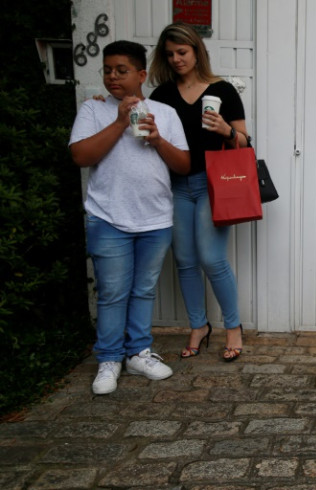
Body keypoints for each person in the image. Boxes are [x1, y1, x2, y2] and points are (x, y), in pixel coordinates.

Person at [69, 40, 190, 395]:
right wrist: (121, 121)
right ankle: (109, 358)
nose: (112, 77)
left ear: (141, 74)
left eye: (121, 70)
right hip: (108, 217)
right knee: (111, 293)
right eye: (107, 70)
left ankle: (138, 352)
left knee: (143, 290)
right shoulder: (93, 110)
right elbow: (80, 156)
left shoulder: (165, 113)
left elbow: (183, 164)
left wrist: (157, 140)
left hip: (155, 219)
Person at [148, 22, 250, 362]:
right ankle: (199, 326)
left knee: (211, 258)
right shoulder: (161, 95)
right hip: (176, 186)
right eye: (170, 54)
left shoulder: (222, 90)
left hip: (214, 185)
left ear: (196, 51)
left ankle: (233, 328)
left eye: (182, 52)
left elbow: (245, 143)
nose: (177, 59)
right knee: (185, 261)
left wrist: (225, 130)